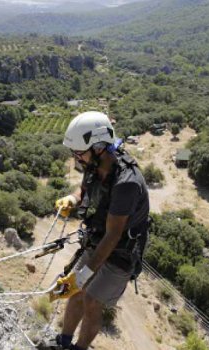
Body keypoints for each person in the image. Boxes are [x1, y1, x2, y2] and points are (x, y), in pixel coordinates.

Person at [47, 111, 150, 350]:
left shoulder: (127, 182)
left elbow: (114, 235)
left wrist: (82, 276)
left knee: (92, 300)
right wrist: (72, 199)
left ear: (99, 147)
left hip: (121, 251)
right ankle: (63, 342)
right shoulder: (94, 163)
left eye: (79, 152)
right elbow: (85, 189)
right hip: (98, 241)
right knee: (76, 292)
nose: (76, 158)